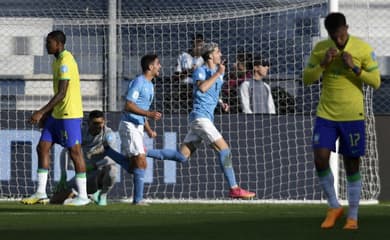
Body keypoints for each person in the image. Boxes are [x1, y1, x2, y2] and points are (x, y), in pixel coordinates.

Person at [303, 12, 380, 230]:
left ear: (346, 28)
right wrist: (323, 64)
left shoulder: (362, 48)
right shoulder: (321, 49)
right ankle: (334, 206)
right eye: (333, 36)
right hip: (326, 114)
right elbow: (307, 78)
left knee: (351, 164)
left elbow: (375, 82)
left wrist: (355, 68)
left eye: (340, 35)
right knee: (319, 158)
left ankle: (352, 216)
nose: (338, 40)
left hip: (352, 116)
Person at [21, 30, 89, 206]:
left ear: (58, 44)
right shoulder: (57, 61)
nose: (46, 46)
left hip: (70, 114)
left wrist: (41, 112)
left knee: (75, 152)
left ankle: (83, 196)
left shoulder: (66, 61)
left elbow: (62, 92)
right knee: (42, 147)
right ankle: (41, 192)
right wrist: (50, 114)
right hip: (57, 114)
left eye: (48, 43)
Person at [180, 42, 255, 199]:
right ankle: (234, 188)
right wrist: (218, 73)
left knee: (182, 157)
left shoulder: (218, 72)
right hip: (200, 117)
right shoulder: (201, 70)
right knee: (224, 149)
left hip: (205, 118)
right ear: (210, 56)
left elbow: (212, 91)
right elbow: (202, 88)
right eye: (218, 52)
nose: (221, 54)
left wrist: (221, 102)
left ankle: (146, 153)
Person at [51, 110, 118, 206]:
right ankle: (82, 196)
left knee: (112, 168)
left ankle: (102, 195)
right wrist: (63, 175)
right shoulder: (80, 133)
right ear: (88, 122)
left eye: (101, 123)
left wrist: (94, 166)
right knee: (55, 200)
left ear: (104, 122)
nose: (98, 126)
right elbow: (65, 152)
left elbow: (113, 157)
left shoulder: (108, 134)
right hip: (85, 176)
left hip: (100, 174)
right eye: (95, 123)